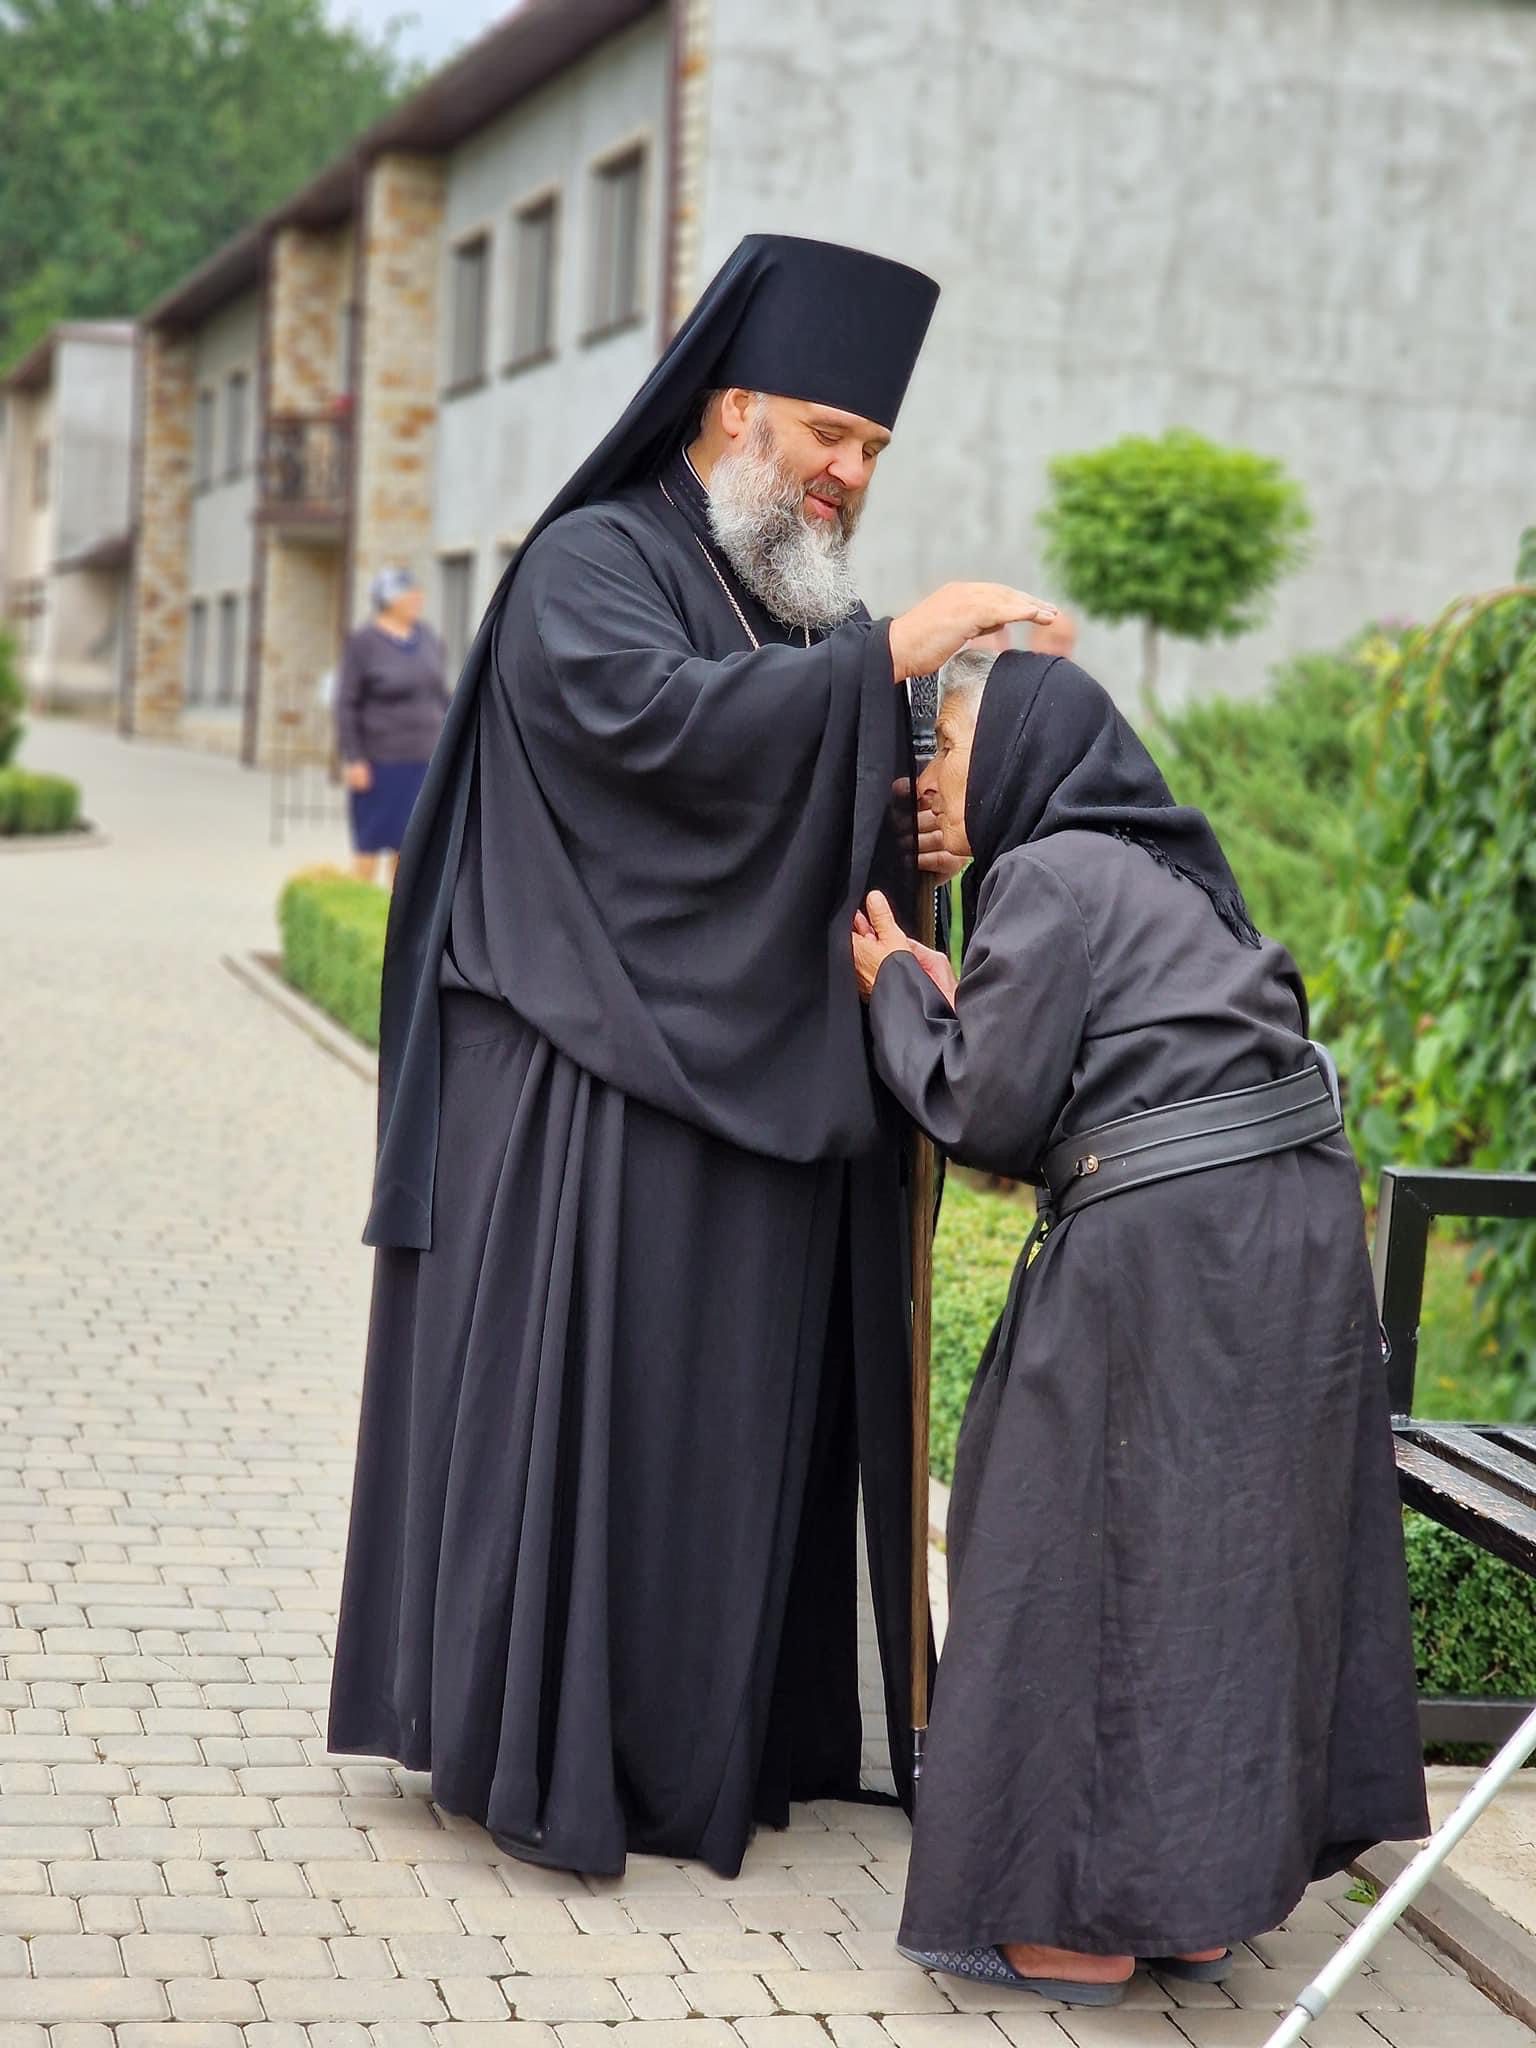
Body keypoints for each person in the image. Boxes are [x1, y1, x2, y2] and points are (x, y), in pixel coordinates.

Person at [328, 234, 1060, 1879]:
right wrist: (883, 659)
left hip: (738, 1097)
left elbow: (808, 802)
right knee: (598, 1453)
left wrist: (931, 788)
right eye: (827, 433)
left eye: (872, 449)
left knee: (717, 1463)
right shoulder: (592, 561)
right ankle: (565, 1749)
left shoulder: (794, 614)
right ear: (734, 410)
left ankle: (707, 1746)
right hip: (586, 1098)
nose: (849, 473)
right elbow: (654, 739)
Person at [850, 647, 1428, 2006]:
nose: (930, 780)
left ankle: (1077, 1925)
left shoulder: (1045, 874)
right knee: (1222, 1561)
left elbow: (989, 1109)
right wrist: (967, 995)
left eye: (951, 750)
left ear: (1023, 753)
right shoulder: (1181, 878)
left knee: (1065, 1541)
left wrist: (899, 992)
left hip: (1169, 1248)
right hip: (1293, 1236)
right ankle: (1201, 1907)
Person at [335, 567, 450, 885]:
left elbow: (441, 695)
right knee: (369, 847)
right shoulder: (363, 643)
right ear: (388, 599)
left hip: (424, 761)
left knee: (410, 850)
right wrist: (355, 758)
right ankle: (359, 909)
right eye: (409, 593)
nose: (418, 598)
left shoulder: (428, 638)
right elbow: (346, 704)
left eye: (418, 592)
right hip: (380, 763)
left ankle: (395, 915)